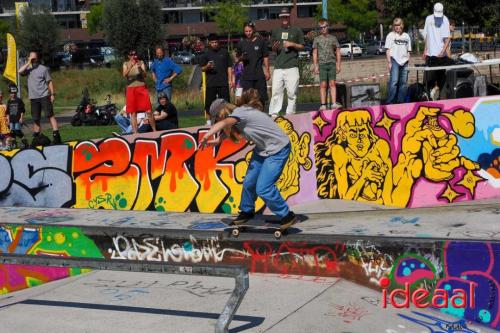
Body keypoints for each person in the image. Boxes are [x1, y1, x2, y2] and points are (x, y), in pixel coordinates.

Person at [199, 89, 298, 228]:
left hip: (278, 149)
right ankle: (247, 211)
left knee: (264, 188)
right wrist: (217, 141)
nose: (217, 121)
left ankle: (287, 215)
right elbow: (228, 126)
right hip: (263, 149)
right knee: (249, 182)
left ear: (221, 114)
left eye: (217, 119)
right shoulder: (239, 114)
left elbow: (224, 123)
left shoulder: (239, 114)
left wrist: (206, 135)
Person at [18, 51, 61, 144]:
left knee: (50, 115)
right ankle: (37, 137)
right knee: (36, 118)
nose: (34, 60)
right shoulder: (28, 69)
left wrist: (52, 94)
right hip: (33, 98)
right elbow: (19, 71)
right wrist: (29, 62)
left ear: (37, 58)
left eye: (35, 58)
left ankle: (56, 136)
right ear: (28, 58)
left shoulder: (43, 69)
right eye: (32, 58)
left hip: (44, 95)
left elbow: (49, 82)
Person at [269, 7, 305, 117]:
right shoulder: (275, 31)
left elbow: (302, 46)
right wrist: (274, 48)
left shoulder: (297, 30)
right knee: (276, 91)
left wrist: (292, 44)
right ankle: (274, 114)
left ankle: (290, 114)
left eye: (286, 17)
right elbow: (272, 49)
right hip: (279, 66)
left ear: (289, 17)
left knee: (292, 92)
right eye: (282, 17)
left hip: (292, 66)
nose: (284, 18)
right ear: (280, 18)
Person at [198, 34, 233, 125]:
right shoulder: (205, 54)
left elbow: (229, 67)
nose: (214, 44)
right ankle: (209, 121)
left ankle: (227, 121)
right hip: (211, 83)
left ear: (219, 42)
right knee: (208, 104)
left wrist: (230, 79)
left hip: (223, 82)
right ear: (209, 43)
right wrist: (208, 66)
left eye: (216, 42)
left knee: (226, 103)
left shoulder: (225, 52)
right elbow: (202, 68)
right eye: (212, 42)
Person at [122, 49, 156, 134]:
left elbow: (145, 75)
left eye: (135, 54)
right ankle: (135, 133)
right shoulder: (126, 64)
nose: (134, 56)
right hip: (131, 89)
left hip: (141, 88)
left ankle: (154, 130)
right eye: (132, 55)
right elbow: (124, 75)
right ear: (129, 56)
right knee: (133, 112)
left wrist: (140, 67)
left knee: (148, 110)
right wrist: (131, 66)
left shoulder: (141, 62)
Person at [237, 21, 270, 106]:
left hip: (259, 75)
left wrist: (267, 71)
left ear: (253, 30)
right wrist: (241, 58)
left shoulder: (261, 42)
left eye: (250, 31)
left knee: (261, 98)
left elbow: (265, 57)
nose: (248, 33)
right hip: (247, 76)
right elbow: (237, 59)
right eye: (246, 31)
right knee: (248, 99)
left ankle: (261, 116)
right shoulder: (241, 43)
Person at [422, 2, 451, 99]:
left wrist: (443, 51)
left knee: (441, 79)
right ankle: (428, 99)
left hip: (441, 55)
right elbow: (426, 36)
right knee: (429, 79)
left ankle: (442, 100)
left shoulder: (445, 20)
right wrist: (424, 50)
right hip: (430, 55)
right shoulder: (428, 19)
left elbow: (447, 38)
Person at [312, 18, 341, 110]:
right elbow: (315, 53)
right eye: (321, 27)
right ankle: (323, 104)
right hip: (322, 64)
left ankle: (333, 103)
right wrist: (315, 66)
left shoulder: (333, 38)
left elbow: (338, 51)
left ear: (327, 27)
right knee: (323, 84)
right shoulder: (316, 39)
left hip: (332, 63)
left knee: (332, 83)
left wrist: (338, 64)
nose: (323, 29)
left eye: (324, 27)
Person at [385, 17, 412, 104]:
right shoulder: (390, 35)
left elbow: (408, 50)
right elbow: (388, 50)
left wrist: (408, 61)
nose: (397, 27)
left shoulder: (406, 36)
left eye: (398, 25)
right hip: (394, 60)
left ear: (402, 25)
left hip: (404, 61)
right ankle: (390, 102)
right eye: (395, 25)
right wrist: (389, 62)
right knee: (394, 82)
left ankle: (401, 101)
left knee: (403, 83)